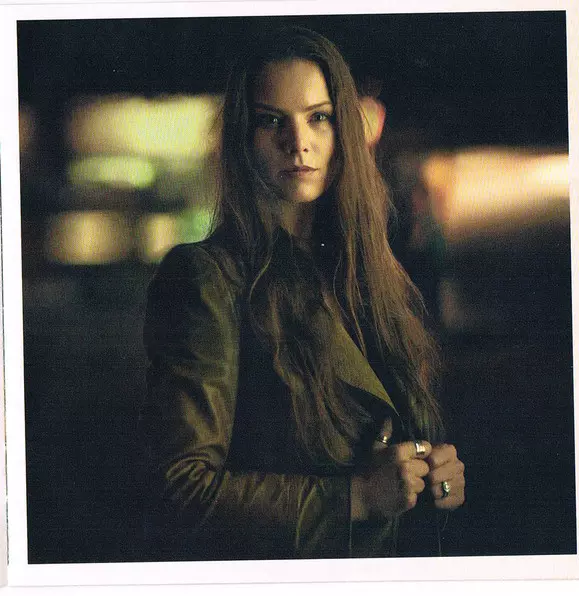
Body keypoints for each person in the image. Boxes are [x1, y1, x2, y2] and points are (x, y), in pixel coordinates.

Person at [142, 26, 465, 561]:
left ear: (344, 130)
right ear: (243, 138)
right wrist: (356, 499)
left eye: (318, 117)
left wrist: (436, 478)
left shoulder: (372, 273)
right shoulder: (208, 277)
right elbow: (181, 488)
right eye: (272, 121)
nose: (299, 143)